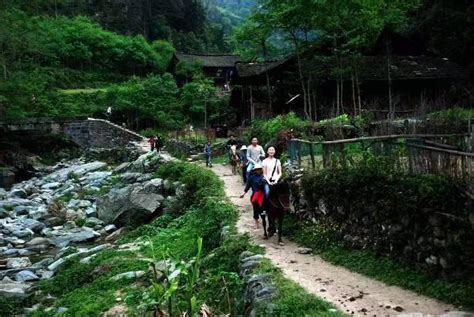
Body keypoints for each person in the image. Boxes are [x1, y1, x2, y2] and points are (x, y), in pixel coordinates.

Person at [240, 164, 266, 229]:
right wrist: (243, 193)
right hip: (255, 196)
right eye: (257, 169)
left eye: (259, 169)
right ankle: (256, 223)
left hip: (263, 195)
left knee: (265, 208)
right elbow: (247, 187)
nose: (258, 171)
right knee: (256, 209)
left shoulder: (264, 177)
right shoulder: (251, 178)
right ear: (254, 170)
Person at [262, 146, 282, 214]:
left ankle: (284, 208)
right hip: (267, 181)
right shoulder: (264, 161)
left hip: (276, 180)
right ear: (267, 152)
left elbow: (280, 173)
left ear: (274, 151)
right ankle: (264, 208)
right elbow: (264, 174)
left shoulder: (277, 161)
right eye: (270, 150)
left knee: (283, 193)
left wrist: (276, 180)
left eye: (272, 150)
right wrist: (269, 182)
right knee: (267, 193)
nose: (271, 151)